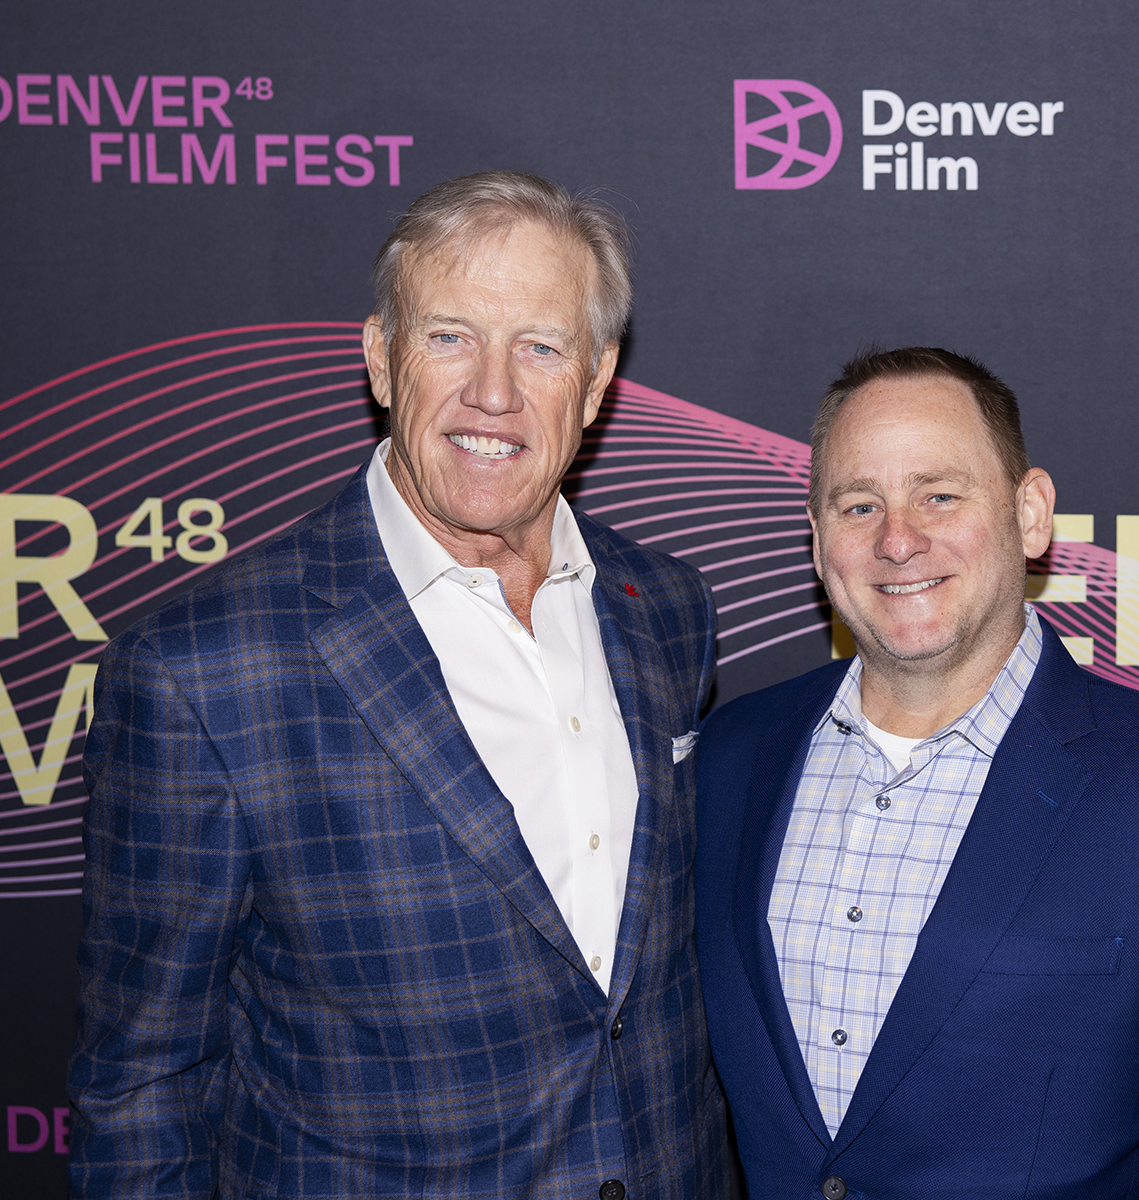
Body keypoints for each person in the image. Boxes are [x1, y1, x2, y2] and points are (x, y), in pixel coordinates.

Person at [69, 172, 732, 1199]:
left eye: (541, 348)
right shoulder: (203, 672)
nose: (494, 393)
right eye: (450, 337)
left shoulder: (666, 612)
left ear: (597, 381)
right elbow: (144, 1081)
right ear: (380, 356)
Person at [695, 347, 1139, 1199]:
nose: (899, 539)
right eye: (859, 504)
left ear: (1030, 513)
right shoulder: (729, 760)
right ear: (819, 538)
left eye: (940, 494)